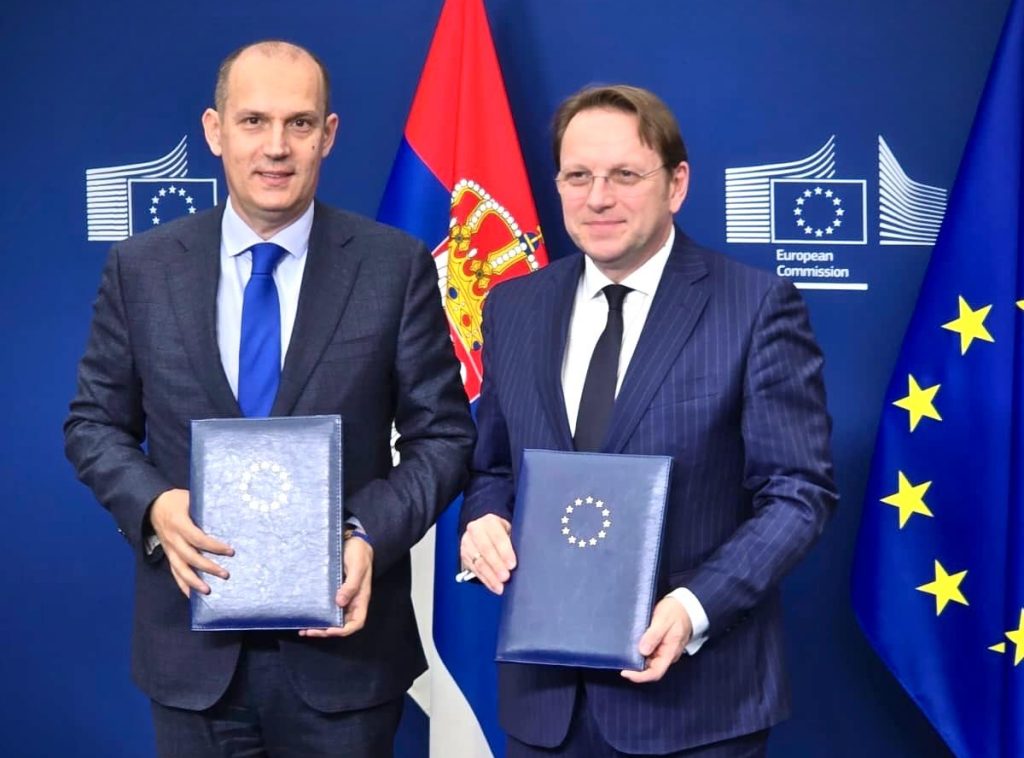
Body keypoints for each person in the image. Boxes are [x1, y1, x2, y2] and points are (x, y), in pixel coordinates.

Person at [64, 40, 475, 757]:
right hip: (191, 657)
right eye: (253, 121)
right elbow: (93, 424)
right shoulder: (142, 268)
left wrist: (367, 535)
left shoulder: (393, 266)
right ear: (215, 130)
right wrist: (155, 507)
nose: (276, 147)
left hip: (344, 659)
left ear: (329, 135)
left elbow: (444, 436)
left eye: (299, 123)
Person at [459, 84, 837, 757]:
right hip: (545, 707)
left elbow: (798, 493)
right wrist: (484, 518)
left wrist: (694, 608)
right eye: (579, 176)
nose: (598, 198)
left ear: (676, 184)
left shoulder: (754, 307)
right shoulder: (513, 307)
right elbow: (492, 466)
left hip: (695, 706)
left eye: (625, 175)